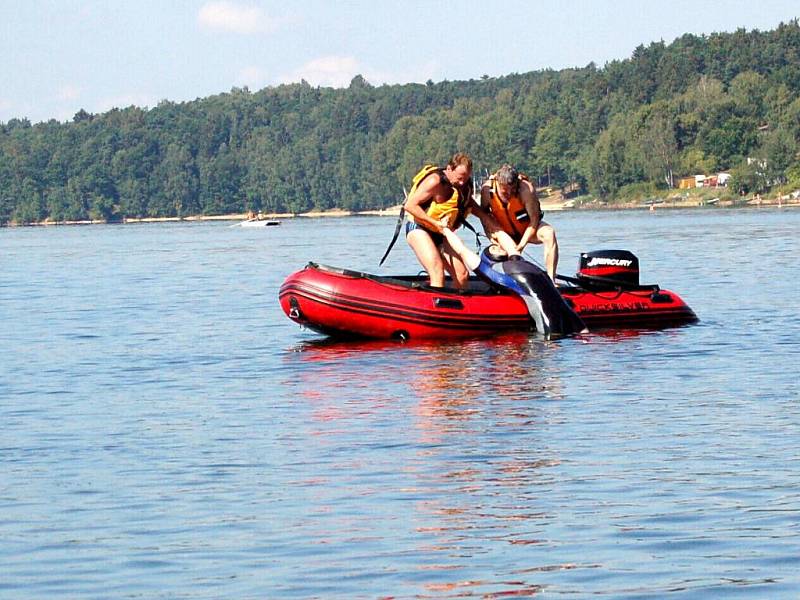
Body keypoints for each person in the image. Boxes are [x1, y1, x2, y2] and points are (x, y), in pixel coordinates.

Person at [439, 223, 587, 337]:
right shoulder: (487, 269)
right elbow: (461, 249)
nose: (498, 246)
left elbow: (503, 237)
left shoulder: (515, 258)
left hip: (560, 302)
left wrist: (489, 222)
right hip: (542, 307)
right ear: (488, 257)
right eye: (493, 248)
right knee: (554, 340)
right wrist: (445, 230)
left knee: (584, 332)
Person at [403, 153, 517, 289]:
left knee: (462, 274)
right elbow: (410, 205)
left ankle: (457, 305)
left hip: (442, 232)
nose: (463, 182)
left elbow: (467, 202)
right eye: (460, 178)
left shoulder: (463, 185)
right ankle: (436, 306)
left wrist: (486, 218)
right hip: (420, 228)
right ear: (449, 169)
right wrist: (435, 224)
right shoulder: (435, 181)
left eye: (466, 178)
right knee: (437, 271)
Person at [481, 164, 560, 282]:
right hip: (504, 232)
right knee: (509, 254)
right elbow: (484, 215)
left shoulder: (526, 190)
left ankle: (551, 280)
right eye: (505, 190)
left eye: (512, 189)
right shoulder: (487, 190)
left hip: (527, 229)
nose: (509, 193)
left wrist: (521, 245)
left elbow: (534, 220)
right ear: (497, 182)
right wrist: (490, 234)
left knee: (549, 233)